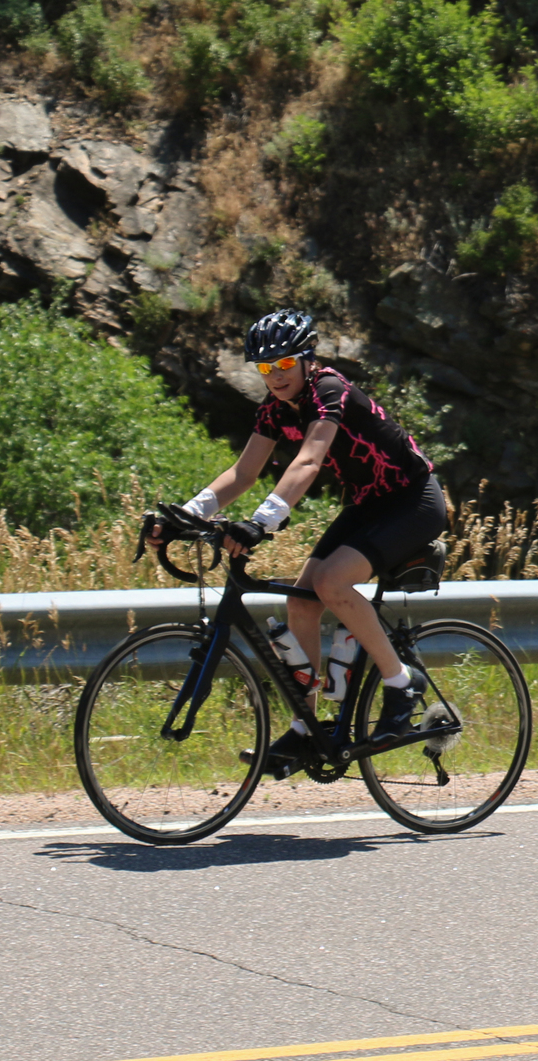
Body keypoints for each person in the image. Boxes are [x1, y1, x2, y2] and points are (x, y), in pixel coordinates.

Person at [169, 310, 448, 775]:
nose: (274, 377)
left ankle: (402, 683)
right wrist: (188, 513)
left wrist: (261, 522)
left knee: (332, 582)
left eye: (283, 365)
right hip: (370, 503)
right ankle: (307, 729)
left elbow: (309, 461)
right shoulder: (275, 410)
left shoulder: (329, 390)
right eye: (264, 368)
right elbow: (242, 474)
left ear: (306, 361)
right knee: (303, 601)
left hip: (413, 501)